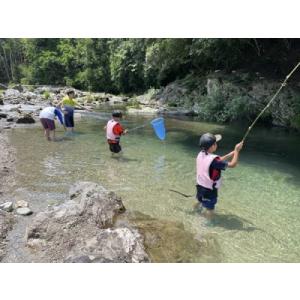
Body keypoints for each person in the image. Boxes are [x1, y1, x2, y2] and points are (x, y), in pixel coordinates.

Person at [195, 133, 243, 225]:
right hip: (209, 190)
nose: (217, 144)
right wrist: (237, 151)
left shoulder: (201, 154)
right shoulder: (214, 161)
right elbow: (233, 164)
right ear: (212, 146)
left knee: (199, 200)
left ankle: (194, 211)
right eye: (216, 143)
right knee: (210, 208)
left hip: (199, 186)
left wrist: (231, 153)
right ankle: (208, 223)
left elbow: (217, 160)